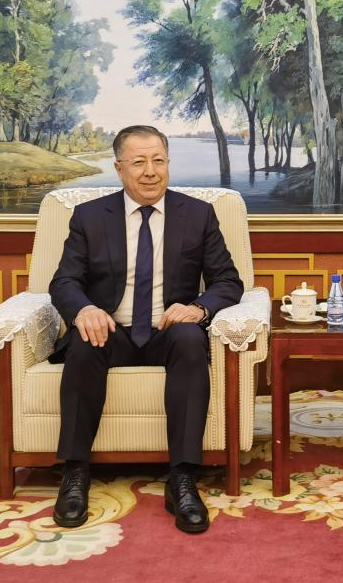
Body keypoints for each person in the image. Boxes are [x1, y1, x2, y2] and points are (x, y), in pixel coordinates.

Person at [48, 124, 243, 534]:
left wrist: (198, 308)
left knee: (190, 340)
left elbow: (228, 281)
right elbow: (64, 281)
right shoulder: (89, 217)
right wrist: (84, 310)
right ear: (119, 168)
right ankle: (75, 472)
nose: (150, 171)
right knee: (85, 341)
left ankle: (183, 478)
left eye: (158, 160)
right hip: (112, 330)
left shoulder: (198, 214)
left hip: (167, 330)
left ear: (168, 163)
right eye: (138, 162)